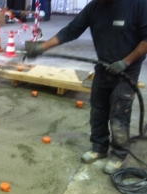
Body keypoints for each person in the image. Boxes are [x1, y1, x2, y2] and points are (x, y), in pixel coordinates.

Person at [26, 0, 147, 174]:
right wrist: (41, 47)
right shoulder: (95, 7)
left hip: (126, 72)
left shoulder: (138, 5)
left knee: (119, 115)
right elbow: (71, 30)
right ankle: (99, 147)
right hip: (103, 68)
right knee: (98, 111)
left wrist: (125, 62)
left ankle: (118, 155)